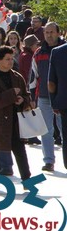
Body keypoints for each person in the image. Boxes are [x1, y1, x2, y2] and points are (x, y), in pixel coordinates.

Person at [0, 46, 32, 189]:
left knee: (20, 151)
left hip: (15, 121)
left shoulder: (17, 77)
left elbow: (26, 95)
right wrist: (12, 94)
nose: (11, 61)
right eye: (7, 59)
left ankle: (27, 181)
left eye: (12, 58)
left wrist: (23, 100)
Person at [29, 22, 64, 172]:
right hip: (44, 96)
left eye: (52, 32)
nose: (49, 35)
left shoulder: (64, 51)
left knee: (64, 130)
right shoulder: (38, 53)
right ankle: (49, 161)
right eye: (46, 32)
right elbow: (33, 76)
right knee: (46, 131)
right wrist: (31, 97)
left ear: (58, 33)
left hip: (63, 97)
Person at [48, 39, 67, 170]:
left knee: (65, 135)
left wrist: (53, 102)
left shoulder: (57, 52)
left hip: (64, 101)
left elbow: (51, 82)